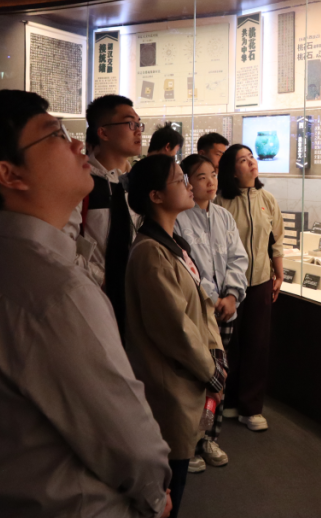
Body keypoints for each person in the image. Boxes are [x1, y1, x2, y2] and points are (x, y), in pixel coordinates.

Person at [0, 90, 173, 518]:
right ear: (10, 174)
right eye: (56, 135)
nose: (77, 144)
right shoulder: (54, 291)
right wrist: (157, 494)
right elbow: (126, 437)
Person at [124, 154, 226, 518]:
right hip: (171, 384)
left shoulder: (173, 242)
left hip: (189, 377)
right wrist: (211, 371)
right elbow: (174, 329)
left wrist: (216, 354)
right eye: (181, 179)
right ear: (155, 196)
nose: (189, 185)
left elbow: (201, 306)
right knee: (169, 487)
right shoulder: (150, 253)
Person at [175, 153, 248, 472]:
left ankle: (209, 437)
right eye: (201, 176)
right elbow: (185, 264)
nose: (210, 182)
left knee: (218, 377)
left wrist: (231, 295)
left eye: (214, 175)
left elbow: (238, 259)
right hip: (197, 312)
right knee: (194, 376)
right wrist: (211, 297)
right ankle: (188, 442)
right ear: (187, 182)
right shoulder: (179, 218)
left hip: (225, 312)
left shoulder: (224, 217)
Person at [214, 145, 284, 432]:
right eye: (243, 160)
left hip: (260, 282)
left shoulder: (267, 199)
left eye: (251, 157)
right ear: (232, 171)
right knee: (229, 344)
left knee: (257, 344)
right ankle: (228, 400)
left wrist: (278, 273)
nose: (251, 163)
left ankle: (251, 407)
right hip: (230, 286)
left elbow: (276, 240)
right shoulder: (221, 202)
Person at [82, 94, 144, 335]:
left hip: (139, 297)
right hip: (96, 298)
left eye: (139, 123)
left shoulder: (139, 182)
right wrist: (104, 279)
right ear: (103, 132)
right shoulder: (81, 181)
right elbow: (66, 244)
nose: (138, 130)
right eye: (130, 123)